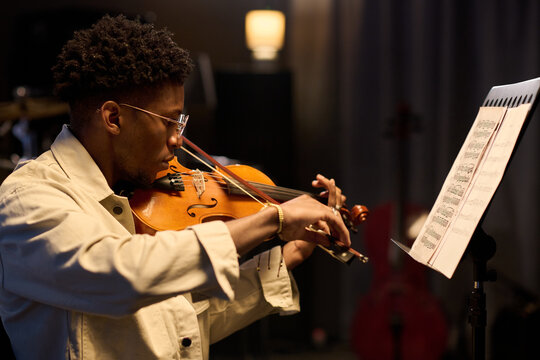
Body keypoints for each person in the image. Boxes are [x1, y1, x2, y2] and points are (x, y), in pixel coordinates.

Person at [0, 14, 350, 359]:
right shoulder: (28, 197)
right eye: (169, 121)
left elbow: (176, 332)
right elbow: (123, 274)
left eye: (179, 122)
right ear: (113, 118)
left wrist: (286, 259)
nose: (177, 141)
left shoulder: (129, 193)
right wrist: (271, 219)